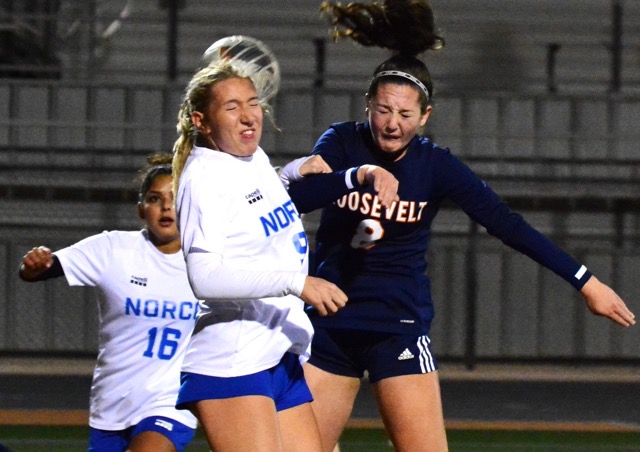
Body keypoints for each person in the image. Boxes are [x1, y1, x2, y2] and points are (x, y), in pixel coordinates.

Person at [280, 1, 637, 451]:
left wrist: (586, 282)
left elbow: (507, 224)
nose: (392, 124)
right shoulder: (342, 141)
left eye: (405, 115)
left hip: (397, 326)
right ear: (368, 104)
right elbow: (292, 201)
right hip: (329, 325)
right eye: (383, 110)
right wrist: (356, 175)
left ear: (425, 116)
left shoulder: (437, 166)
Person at [170, 60, 372, 452]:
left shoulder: (251, 158)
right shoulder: (203, 179)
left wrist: (293, 171)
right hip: (233, 362)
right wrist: (296, 283)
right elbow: (204, 276)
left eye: (252, 102)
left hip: (275, 352)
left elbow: (254, 205)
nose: (248, 116)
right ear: (201, 120)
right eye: (231, 107)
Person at [18, 154, 198, 452]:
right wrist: (34, 265)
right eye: (155, 199)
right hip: (112, 402)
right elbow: (43, 269)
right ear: (141, 210)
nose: (166, 207)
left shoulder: (206, 261)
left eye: (175, 198)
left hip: (170, 401)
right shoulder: (113, 249)